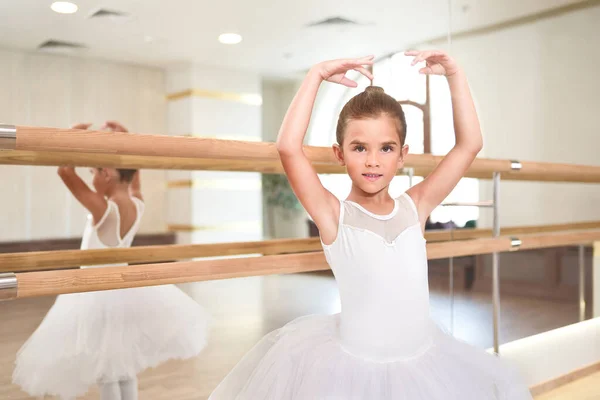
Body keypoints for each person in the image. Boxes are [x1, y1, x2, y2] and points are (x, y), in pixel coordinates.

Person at [209, 51, 532, 399]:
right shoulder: (334, 216)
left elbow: (470, 144)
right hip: (353, 372)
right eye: (359, 147)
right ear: (339, 153)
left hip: (424, 365)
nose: (373, 161)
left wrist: (455, 73)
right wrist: (315, 75)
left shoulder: (415, 206)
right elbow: (288, 148)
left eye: (387, 148)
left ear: (403, 154)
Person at [13, 121, 210, 400]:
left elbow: (63, 171)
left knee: (106, 370)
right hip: (123, 292)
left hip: (95, 295)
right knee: (123, 367)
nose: (92, 178)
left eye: (92, 172)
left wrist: (70, 137)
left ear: (106, 174)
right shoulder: (137, 204)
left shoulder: (104, 209)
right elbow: (133, 175)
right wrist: (128, 140)